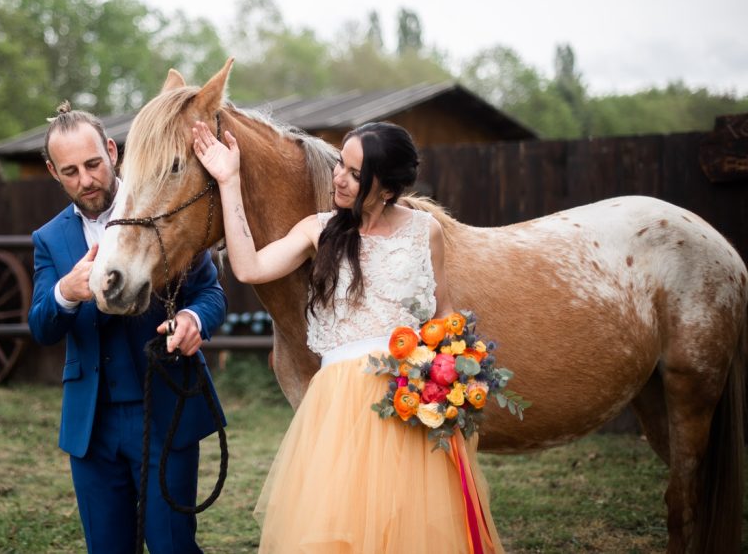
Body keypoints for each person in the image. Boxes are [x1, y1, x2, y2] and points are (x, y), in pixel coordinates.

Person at [191, 119, 503, 553]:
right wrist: (229, 180)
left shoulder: (424, 231)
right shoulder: (318, 229)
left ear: (388, 189)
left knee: (408, 525)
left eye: (356, 174)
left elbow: (442, 314)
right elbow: (248, 268)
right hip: (339, 407)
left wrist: (455, 374)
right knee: (340, 523)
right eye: (341, 164)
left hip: (407, 401)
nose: (338, 177)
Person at [28, 103, 227, 554]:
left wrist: (194, 320)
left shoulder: (162, 206)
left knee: (173, 546)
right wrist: (66, 291)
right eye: (71, 171)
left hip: (165, 409)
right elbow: (41, 326)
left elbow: (211, 294)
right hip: (91, 425)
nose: (86, 180)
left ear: (113, 151)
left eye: (94, 164)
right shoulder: (49, 239)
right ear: (53, 172)